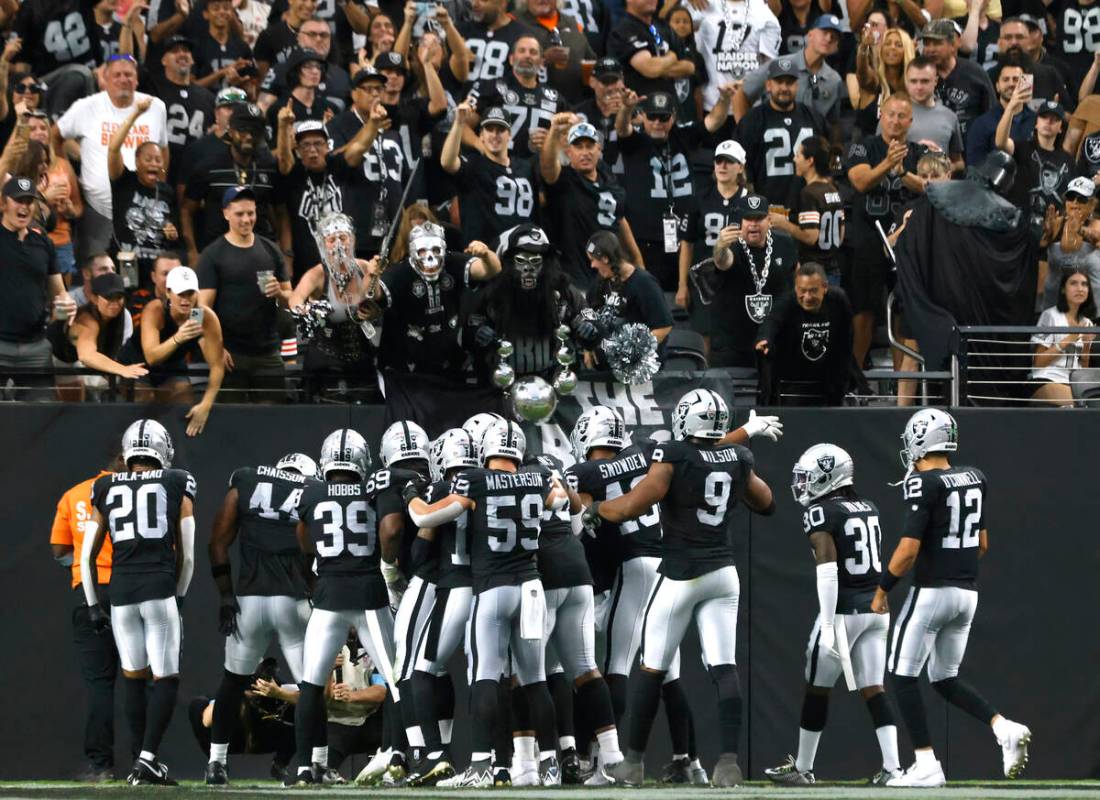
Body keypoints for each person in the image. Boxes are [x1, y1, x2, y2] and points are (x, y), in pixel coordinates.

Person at [587, 388, 776, 787]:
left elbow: (631, 506)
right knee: (724, 667)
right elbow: (766, 502)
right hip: (724, 574)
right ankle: (727, 763)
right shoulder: (739, 457)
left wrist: (593, 509)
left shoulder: (672, 455)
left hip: (681, 574)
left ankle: (633, 762)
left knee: (652, 666)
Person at [406, 419, 572, 787]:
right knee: (536, 679)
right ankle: (550, 765)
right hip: (531, 587)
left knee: (484, 676)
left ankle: (481, 764)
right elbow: (564, 505)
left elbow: (425, 516)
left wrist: (409, 496)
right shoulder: (539, 475)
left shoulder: (476, 480)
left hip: (493, 588)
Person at [872, 409, 1031, 786]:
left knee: (900, 675)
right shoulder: (975, 477)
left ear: (922, 440)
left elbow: (907, 551)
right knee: (943, 678)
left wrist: (882, 590)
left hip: (932, 592)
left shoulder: (925, 484)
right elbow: (982, 544)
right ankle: (1002, 727)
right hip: (966, 594)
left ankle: (926, 764)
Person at [567, 407, 705, 785]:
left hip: (633, 564)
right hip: (666, 567)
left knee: (614, 665)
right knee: (667, 669)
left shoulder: (584, 473)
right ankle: (690, 761)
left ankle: (604, 763)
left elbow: (578, 520)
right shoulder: (646, 452)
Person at [764, 444, 901, 786]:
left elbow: (827, 570)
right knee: (874, 688)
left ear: (829, 477)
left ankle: (803, 768)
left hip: (844, 612)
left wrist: (827, 624)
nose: (802, 484)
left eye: (809, 478)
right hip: (876, 609)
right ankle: (893, 767)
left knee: (818, 688)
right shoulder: (867, 506)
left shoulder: (821, 512)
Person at [80, 419, 197, 786]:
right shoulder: (176, 480)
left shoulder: (105, 485)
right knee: (166, 677)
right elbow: (188, 556)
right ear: (162, 450)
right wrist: (178, 596)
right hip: (158, 587)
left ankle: (141, 760)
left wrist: (92, 604)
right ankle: (147, 758)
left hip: (120, 593)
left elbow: (86, 556)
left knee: (133, 677)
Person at [291, 429, 402, 785]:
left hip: (328, 595)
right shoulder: (376, 487)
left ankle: (306, 767)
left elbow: (303, 537)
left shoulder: (311, 492)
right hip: (368, 591)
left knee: (310, 684)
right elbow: (390, 530)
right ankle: (399, 758)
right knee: (399, 681)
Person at [204, 452, 320, 785]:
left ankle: (217, 763)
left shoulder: (246, 479)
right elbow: (316, 550)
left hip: (250, 598)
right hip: (293, 601)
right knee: (309, 687)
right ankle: (312, 764)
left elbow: (217, 544)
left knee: (232, 681)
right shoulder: (313, 490)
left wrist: (226, 594)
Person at [402, 428, 480, 787]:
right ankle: (502, 759)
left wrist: (410, 495)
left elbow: (420, 549)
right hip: (494, 587)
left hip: (455, 587)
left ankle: (434, 754)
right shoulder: (489, 484)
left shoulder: (440, 489)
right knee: (491, 677)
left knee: (420, 671)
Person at [49, 454, 123, 783]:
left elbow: (59, 550)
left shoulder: (74, 494)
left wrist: (83, 569)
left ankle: (100, 765)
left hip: (90, 593)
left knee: (99, 684)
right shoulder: (144, 493)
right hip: (134, 590)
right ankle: (146, 759)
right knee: (147, 681)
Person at [616, 88, 734, 290]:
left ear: (673, 117)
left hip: (684, 236)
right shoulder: (634, 142)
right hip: (646, 238)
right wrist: (627, 108)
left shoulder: (683, 136)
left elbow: (714, 121)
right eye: (652, 116)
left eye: (663, 117)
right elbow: (622, 128)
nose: (657, 123)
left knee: (686, 296)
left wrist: (724, 99)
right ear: (643, 116)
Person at [57, 54, 169, 259]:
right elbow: (56, 135)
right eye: (117, 75)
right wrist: (65, 174)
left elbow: (162, 149)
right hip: (97, 212)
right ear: (105, 79)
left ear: (136, 79)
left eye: (128, 74)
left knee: (145, 272)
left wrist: (159, 193)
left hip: (143, 212)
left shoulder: (156, 107)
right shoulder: (86, 106)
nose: (123, 79)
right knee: (97, 272)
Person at [846, 93, 925, 369]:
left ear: (910, 121)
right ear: (881, 115)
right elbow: (860, 181)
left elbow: (931, 186)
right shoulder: (862, 147)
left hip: (907, 243)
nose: (895, 120)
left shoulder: (919, 152)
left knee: (902, 314)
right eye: (890, 114)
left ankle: (899, 380)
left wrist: (903, 173)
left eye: (902, 115)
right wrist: (889, 164)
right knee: (864, 311)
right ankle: (854, 377)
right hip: (868, 237)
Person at [197, 187, 291, 401]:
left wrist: (279, 294)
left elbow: (292, 300)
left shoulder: (271, 249)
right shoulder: (212, 254)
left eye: (251, 213)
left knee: (275, 420)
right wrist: (212, 347)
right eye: (240, 214)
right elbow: (199, 310)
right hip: (229, 354)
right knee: (231, 422)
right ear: (225, 213)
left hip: (268, 352)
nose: (247, 219)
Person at [376, 221, 501, 380]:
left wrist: (486, 254)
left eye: (436, 250)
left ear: (444, 249)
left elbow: (493, 269)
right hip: (408, 367)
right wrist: (371, 276)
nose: (430, 257)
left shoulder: (452, 262)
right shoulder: (401, 272)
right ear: (412, 252)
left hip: (447, 361)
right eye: (422, 251)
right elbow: (374, 294)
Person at [463, 223, 587, 381]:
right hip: (498, 387)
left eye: (536, 261)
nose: (528, 268)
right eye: (521, 261)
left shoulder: (562, 290)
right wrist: (477, 333)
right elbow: (467, 331)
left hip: (551, 382)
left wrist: (588, 329)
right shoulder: (491, 292)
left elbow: (588, 319)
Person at [287, 212, 381, 394]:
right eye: (332, 239)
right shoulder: (317, 274)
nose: (339, 244)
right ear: (323, 245)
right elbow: (295, 298)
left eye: (343, 238)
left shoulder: (364, 268)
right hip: (324, 361)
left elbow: (377, 298)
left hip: (360, 357)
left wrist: (374, 276)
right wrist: (304, 310)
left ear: (352, 240)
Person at [540, 117, 641, 289]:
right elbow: (548, 169)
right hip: (574, 277)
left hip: (610, 276)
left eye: (590, 146)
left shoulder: (609, 180)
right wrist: (554, 131)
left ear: (599, 149)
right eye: (578, 146)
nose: (585, 152)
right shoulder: (565, 180)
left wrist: (638, 261)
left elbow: (620, 218)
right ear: (569, 152)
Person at [0, 176, 76, 400]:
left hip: (35, 346)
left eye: (29, 201)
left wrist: (67, 303)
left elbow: (58, 292)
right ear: (4, 203)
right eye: (18, 201)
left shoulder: (44, 244)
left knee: (42, 413)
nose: (24, 207)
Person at [711, 193, 800, 368]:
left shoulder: (785, 243)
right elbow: (722, 262)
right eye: (748, 219)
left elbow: (796, 276)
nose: (753, 224)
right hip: (733, 343)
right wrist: (720, 245)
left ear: (769, 221)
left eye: (759, 218)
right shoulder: (732, 246)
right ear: (740, 222)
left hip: (774, 339)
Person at [183, 102, 279, 263]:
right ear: (231, 130)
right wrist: (192, 251)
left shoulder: (269, 167)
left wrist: (285, 251)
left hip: (260, 255)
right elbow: (186, 210)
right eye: (243, 130)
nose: (249, 136)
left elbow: (280, 212)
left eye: (255, 131)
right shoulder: (209, 166)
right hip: (217, 256)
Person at [677, 139, 748, 353]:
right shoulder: (698, 199)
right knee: (704, 334)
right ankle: (706, 380)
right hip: (704, 278)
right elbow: (687, 244)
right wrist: (682, 284)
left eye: (729, 161)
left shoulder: (750, 201)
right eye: (719, 161)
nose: (722, 166)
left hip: (738, 275)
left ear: (741, 167)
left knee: (738, 331)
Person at [139, 265, 226, 430]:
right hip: (139, 366)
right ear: (168, 293)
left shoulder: (202, 316)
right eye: (180, 294)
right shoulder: (156, 309)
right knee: (144, 400)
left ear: (197, 294)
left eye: (190, 293)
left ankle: (181, 449)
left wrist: (206, 406)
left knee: (185, 401)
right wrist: (179, 338)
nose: (185, 300)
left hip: (173, 367)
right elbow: (151, 357)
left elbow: (217, 366)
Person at [754, 261, 852, 405]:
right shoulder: (786, 302)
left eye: (813, 290)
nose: (807, 297)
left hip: (826, 377)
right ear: (795, 287)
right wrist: (765, 339)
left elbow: (846, 339)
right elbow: (772, 321)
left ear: (824, 287)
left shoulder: (839, 301)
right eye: (802, 290)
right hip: (793, 378)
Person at [108, 98, 180, 293]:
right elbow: (113, 148)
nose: (154, 164)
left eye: (158, 160)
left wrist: (173, 232)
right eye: (148, 159)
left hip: (156, 273)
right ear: (137, 162)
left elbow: (174, 233)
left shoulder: (166, 191)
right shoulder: (124, 180)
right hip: (125, 264)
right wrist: (135, 114)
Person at [441, 103, 539, 245]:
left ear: (509, 135)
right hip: (484, 251)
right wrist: (459, 122)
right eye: (490, 129)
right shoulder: (473, 165)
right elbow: (447, 162)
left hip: (522, 251)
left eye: (500, 130)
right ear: (481, 135)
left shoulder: (526, 168)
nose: (494, 135)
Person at [737, 57, 826, 212]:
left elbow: (826, 160)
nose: (784, 88)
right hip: (766, 206)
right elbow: (742, 166)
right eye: (779, 82)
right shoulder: (752, 120)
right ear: (768, 85)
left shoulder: (813, 117)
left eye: (790, 82)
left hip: (807, 205)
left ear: (797, 85)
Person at [583, 230, 673, 368]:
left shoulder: (644, 283)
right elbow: (588, 313)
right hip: (608, 366)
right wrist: (587, 347)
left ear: (605, 258)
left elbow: (664, 327)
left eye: (593, 260)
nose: (592, 265)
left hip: (638, 368)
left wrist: (632, 352)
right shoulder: (601, 281)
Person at [734, 14, 843, 125]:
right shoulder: (780, 64)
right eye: (824, 33)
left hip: (811, 138)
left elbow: (833, 122)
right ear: (810, 34)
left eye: (834, 37)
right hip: (773, 135)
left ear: (837, 46)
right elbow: (742, 92)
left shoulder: (834, 80)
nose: (829, 38)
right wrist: (744, 130)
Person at [995, 88, 1074, 238]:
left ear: (1060, 128)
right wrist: (1010, 109)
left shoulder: (1068, 160)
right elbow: (1000, 142)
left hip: (1052, 233)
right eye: (1044, 117)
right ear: (1036, 123)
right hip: (1019, 228)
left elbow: (1070, 200)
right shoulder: (1022, 147)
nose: (1048, 121)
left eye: (1054, 119)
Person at [467, 36, 562, 159]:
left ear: (541, 62)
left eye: (533, 52)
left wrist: (551, 141)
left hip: (538, 168)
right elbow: (463, 125)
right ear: (511, 59)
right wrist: (482, 148)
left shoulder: (554, 97)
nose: (527, 56)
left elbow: (569, 137)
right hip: (496, 165)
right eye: (522, 51)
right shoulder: (490, 87)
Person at [769, 136, 844, 282]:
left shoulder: (809, 193)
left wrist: (783, 224)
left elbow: (811, 236)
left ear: (810, 161)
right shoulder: (833, 189)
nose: (794, 159)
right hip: (833, 270)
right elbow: (840, 235)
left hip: (813, 274)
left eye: (798, 155)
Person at [144, 35, 216, 188]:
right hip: (162, 168)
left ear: (192, 60)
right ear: (164, 60)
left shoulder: (208, 97)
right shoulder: (152, 89)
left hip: (195, 173)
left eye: (186, 51)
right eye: (175, 51)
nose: (182, 54)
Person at [686, 0, 780, 111]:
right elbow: (672, 25)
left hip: (751, 104)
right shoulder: (705, 3)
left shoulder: (761, 8)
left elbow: (769, 62)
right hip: (712, 104)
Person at [919, 19, 995, 140]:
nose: (931, 49)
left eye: (937, 43)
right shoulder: (918, 75)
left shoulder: (975, 73)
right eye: (927, 43)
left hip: (971, 148)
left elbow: (991, 115)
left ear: (953, 44)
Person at [607, 0, 696, 102]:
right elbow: (651, 68)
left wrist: (660, 68)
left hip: (672, 109)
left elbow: (690, 66)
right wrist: (671, 57)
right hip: (642, 111)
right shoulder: (623, 30)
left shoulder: (663, 27)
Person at [1029, 268, 1095, 406]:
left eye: (1084, 284)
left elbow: (1082, 368)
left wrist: (1087, 346)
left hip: (1074, 382)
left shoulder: (1087, 322)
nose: (1080, 288)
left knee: (1087, 401)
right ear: (1063, 289)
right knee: (1081, 403)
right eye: (1074, 283)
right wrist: (1069, 339)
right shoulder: (1050, 315)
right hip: (1046, 379)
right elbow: (1038, 362)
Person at [258, 17, 352, 113]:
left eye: (324, 35)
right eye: (312, 34)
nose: (318, 39)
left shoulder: (342, 75)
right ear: (298, 38)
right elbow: (262, 109)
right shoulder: (279, 71)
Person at [68, 273, 148, 384]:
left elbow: (121, 352)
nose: (115, 303)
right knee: (101, 383)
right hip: (64, 366)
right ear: (94, 298)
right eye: (109, 298)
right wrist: (122, 369)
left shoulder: (124, 315)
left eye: (119, 297)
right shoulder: (86, 320)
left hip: (97, 365)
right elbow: (86, 356)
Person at [515, 0, 597, 106]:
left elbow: (591, 61)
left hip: (572, 105)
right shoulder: (513, 21)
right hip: (527, 104)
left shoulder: (573, 24)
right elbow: (505, 66)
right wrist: (543, 59)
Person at [965, 53, 1034, 167]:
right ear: (997, 86)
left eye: (1016, 79)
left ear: (1024, 84)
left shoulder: (1036, 121)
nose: (1011, 83)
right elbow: (974, 167)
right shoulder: (982, 124)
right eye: (1006, 79)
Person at [901, 57, 965, 170]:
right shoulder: (894, 114)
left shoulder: (949, 117)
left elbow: (959, 163)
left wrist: (944, 164)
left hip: (940, 185)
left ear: (935, 81)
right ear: (906, 81)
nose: (919, 87)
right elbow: (878, 156)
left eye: (925, 81)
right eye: (913, 81)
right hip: (902, 184)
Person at [851, 26, 915, 138]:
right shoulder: (873, 81)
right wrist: (864, 47)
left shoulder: (912, 87)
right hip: (866, 149)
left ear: (907, 50)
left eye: (898, 45)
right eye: (888, 43)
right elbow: (862, 73)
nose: (892, 48)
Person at [459, 0, 537, 84]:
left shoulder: (522, 37)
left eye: (483, 0)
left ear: (503, 2)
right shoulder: (460, 31)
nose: (475, 4)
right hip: (463, 95)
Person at [570, 57, 627, 170]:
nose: (610, 87)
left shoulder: (633, 113)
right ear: (592, 82)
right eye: (605, 82)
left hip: (625, 182)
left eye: (614, 81)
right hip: (588, 182)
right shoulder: (578, 114)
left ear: (622, 82)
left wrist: (625, 111)